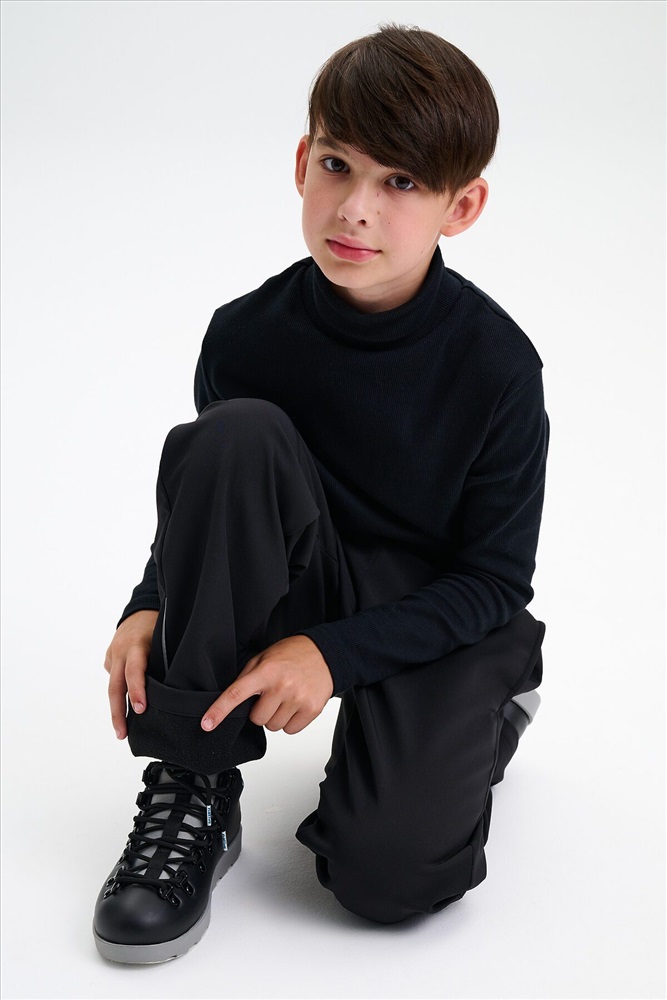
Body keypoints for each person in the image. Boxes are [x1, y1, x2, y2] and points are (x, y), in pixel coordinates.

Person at [93, 24, 548, 964]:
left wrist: (333, 656)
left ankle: (487, 713)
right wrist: (149, 602)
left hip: (435, 612)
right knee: (233, 434)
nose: (355, 209)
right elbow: (210, 509)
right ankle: (194, 785)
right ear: (303, 161)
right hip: (310, 571)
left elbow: (494, 580)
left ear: (461, 206)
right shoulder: (244, 337)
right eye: (338, 166)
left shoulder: (498, 369)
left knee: (386, 881)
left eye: (401, 183)